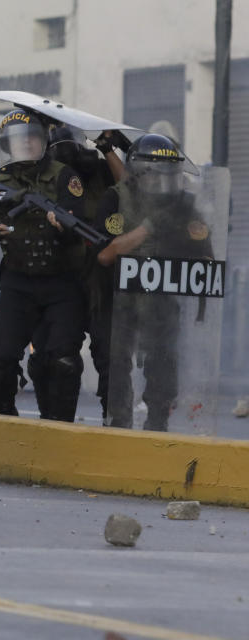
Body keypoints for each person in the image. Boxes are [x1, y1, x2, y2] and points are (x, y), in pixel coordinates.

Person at [0, 109, 87, 421]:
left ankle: (60, 428)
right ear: (7, 144)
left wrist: (63, 227)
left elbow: (80, 224)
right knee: (0, 358)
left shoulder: (64, 176)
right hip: (18, 281)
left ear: (44, 141)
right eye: (19, 139)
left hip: (62, 282)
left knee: (63, 359)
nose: (26, 143)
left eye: (33, 137)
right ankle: (4, 421)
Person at [94, 133, 211, 430]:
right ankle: (119, 422)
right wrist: (148, 229)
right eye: (152, 176)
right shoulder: (117, 198)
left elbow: (205, 258)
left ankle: (158, 424)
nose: (159, 183)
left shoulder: (183, 205)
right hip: (121, 299)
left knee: (163, 365)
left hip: (162, 300)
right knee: (117, 363)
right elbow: (105, 255)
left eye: (166, 175)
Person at [27, 125, 125, 421]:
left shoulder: (101, 171)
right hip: (58, 276)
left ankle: (117, 425)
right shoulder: (41, 177)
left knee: (110, 358)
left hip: (99, 278)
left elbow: (131, 192)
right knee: (51, 358)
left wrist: (109, 150)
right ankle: (55, 424)